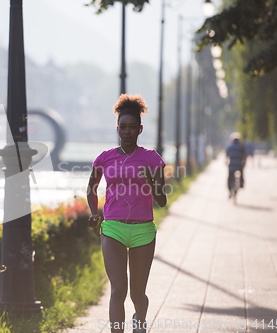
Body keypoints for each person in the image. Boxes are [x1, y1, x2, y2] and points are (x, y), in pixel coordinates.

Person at [87, 94, 167, 333]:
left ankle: (140, 324)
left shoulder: (152, 159)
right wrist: (94, 213)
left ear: (140, 129)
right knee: (118, 288)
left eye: (133, 127)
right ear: (117, 128)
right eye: (123, 127)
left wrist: (151, 182)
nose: (127, 132)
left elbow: (162, 200)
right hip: (113, 228)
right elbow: (91, 188)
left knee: (137, 293)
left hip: (143, 229)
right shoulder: (105, 157)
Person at [226, 133, 247, 197]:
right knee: (241, 173)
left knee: (230, 177)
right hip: (239, 164)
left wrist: (226, 162)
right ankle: (241, 184)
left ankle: (229, 189)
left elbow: (226, 155)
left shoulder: (229, 146)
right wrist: (244, 162)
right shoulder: (241, 146)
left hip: (231, 165)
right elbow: (245, 155)